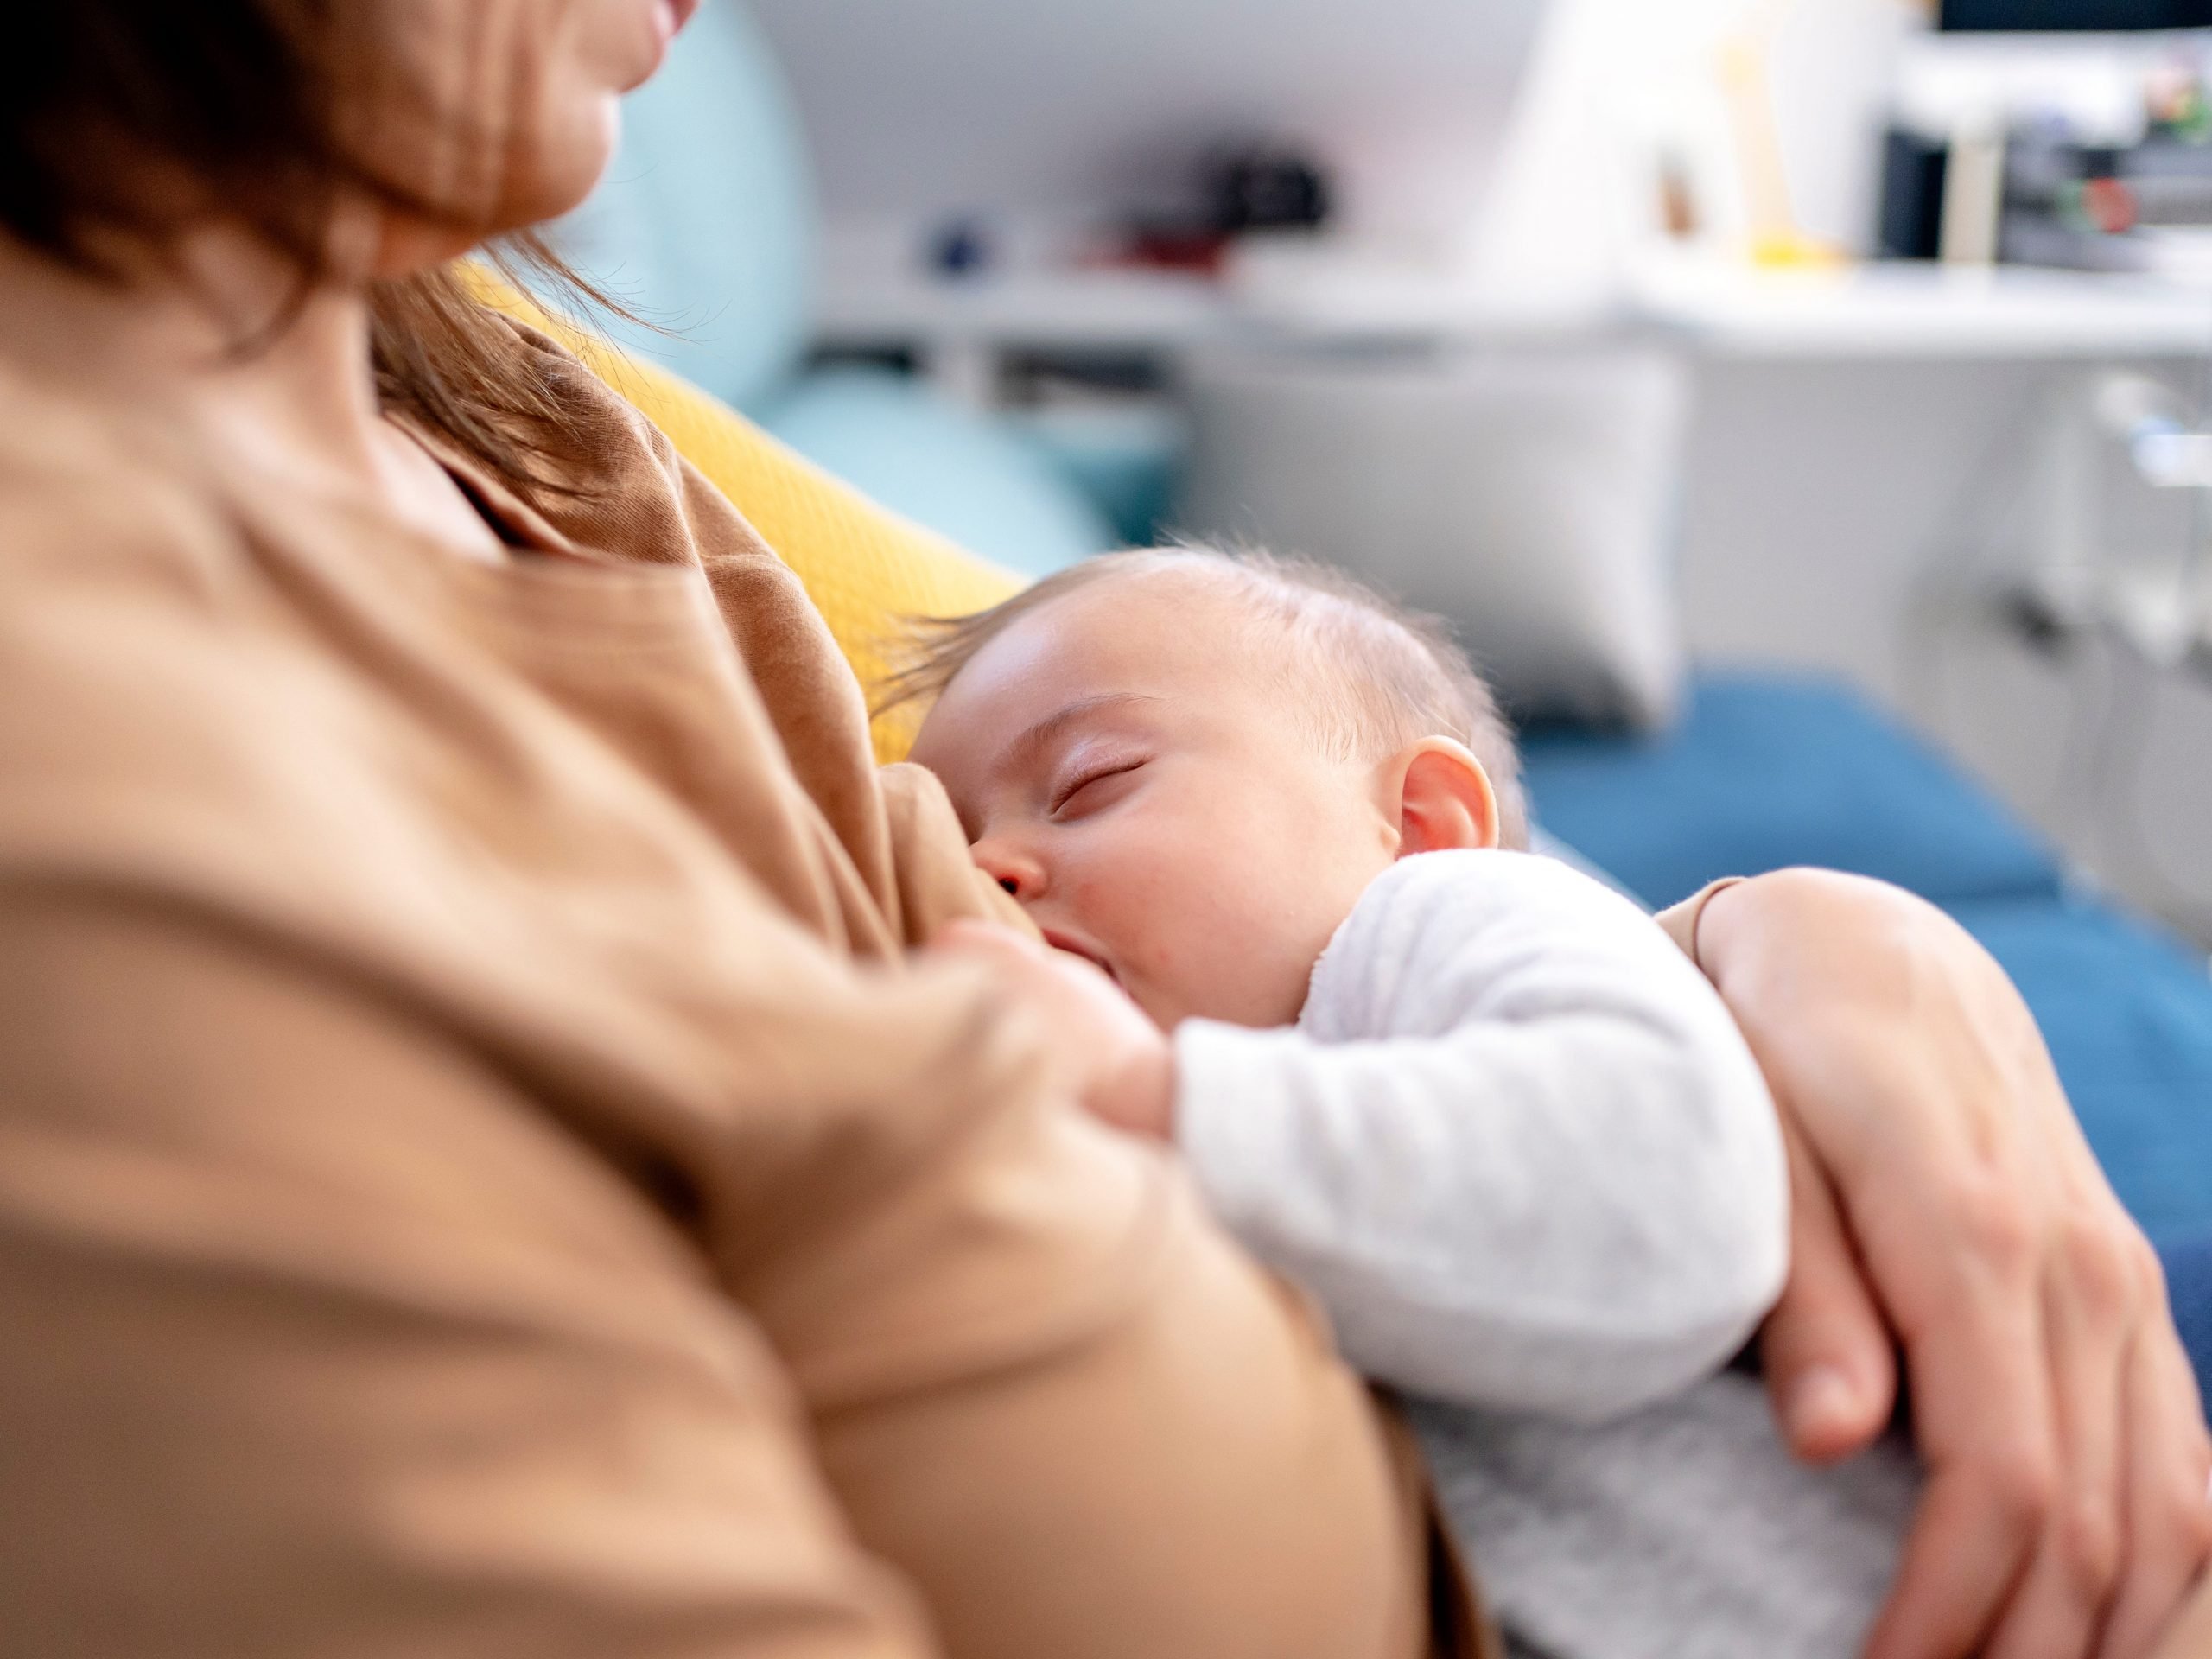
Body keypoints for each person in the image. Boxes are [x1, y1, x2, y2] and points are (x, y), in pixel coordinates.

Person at [0, 5, 2204, 1659]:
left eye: (1068, 807)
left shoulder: (490, 381)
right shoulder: (114, 814)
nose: (995, 870)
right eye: (989, 826)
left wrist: (1797, 934)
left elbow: (1308, 798)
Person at [895, 544, 1909, 1658]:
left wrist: (1142, 1091)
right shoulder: (1187, 1163)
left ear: (1419, 822)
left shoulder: (1442, 919)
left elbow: (1665, 1191)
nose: (988, 866)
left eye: (1090, 782)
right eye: (951, 844)